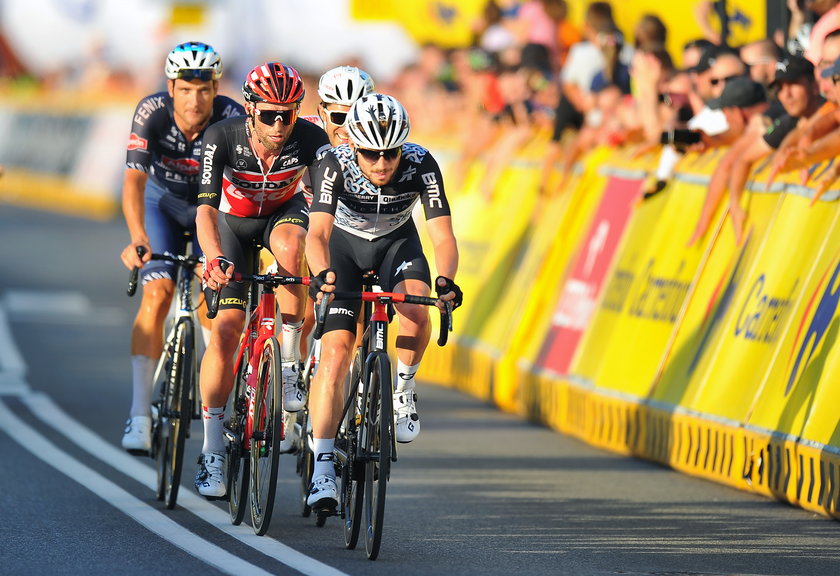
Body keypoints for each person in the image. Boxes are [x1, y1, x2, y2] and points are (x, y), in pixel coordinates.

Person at [304, 93, 462, 513]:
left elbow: (442, 235)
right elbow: (316, 235)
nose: (381, 164)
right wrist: (322, 275)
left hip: (396, 245)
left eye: (390, 154)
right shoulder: (333, 163)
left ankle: (403, 389)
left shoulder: (421, 163)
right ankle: (322, 467)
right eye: (371, 155)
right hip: (343, 249)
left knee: (415, 308)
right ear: (353, 145)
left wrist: (446, 280)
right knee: (335, 355)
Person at [194, 62, 330, 499]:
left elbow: (327, 210)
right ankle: (212, 450)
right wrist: (213, 257)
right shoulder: (222, 138)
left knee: (294, 248)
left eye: (288, 114)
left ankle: (289, 363)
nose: (278, 124)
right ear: (249, 109)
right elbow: (206, 211)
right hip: (233, 227)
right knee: (227, 332)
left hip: (281, 216)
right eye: (269, 114)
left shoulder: (311, 140)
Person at [118, 42, 244, 455]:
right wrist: (138, 236)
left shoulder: (232, 117)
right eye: (186, 89)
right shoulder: (150, 112)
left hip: (213, 211)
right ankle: (139, 414)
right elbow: (134, 182)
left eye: (204, 89)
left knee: (215, 307)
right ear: (171, 87)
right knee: (157, 294)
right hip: (163, 207)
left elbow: (244, 188)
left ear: (215, 88)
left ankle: (216, 402)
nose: (195, 100)